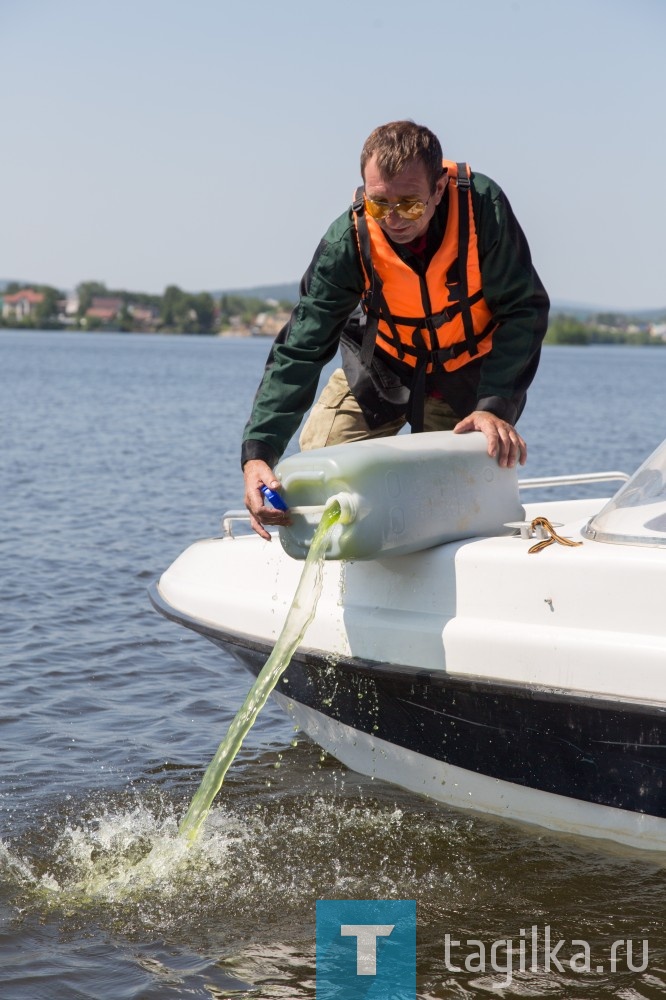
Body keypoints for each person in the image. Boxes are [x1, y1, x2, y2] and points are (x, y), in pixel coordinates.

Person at [242, 120, 549, 540]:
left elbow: (523, 309)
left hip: (467, 379)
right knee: (320, 470)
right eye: (378, 204)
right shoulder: (348, 237)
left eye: (408, 204)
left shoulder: (483, 210)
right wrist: (258, 451)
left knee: (455, 500)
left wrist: (494, 406)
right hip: (381, 367)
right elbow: (302, 345)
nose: (392, 219)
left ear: (439, 188)